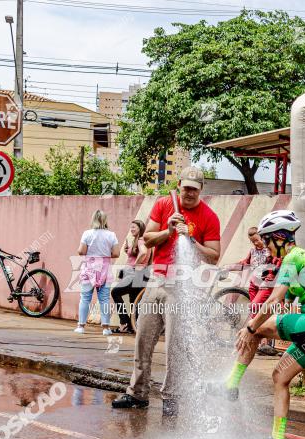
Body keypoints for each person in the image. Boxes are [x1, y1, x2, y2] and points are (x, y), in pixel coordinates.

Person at [223, 210, 305, 439]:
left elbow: (274, 300)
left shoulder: (292, 258)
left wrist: (250, 327)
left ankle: (230, 385)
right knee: (280, 376)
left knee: (255, 330)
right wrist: (265, 324)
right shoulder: (299, 260)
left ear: (279, 237)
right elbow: (285, 303)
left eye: (267, 241)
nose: (266, 248)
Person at [111, 166, 221, 416]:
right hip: (156, 282)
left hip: (184, 287)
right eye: (185, 188)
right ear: (179, 186)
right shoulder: (163, 205)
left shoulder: (209, 217)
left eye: (194, 188)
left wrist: (191, 241)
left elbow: (214, 256)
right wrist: (168, 231)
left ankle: (171, 398)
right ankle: (137, 394)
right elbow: (147, 239)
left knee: (175, 347)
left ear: (201, 189)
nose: (189, 193)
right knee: (143, 340)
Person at [231, 226, 281, 356]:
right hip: (254, 284)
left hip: (265, 284)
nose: (256, 243)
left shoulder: (269, 250)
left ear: (262, 238)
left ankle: (265, 342)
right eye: (253, 241)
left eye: (257, 240)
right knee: (256, 312)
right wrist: (230, 267)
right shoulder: (253, 251)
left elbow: (276, 264)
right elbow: (245, 263)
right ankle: (260, 342)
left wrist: (270, 277)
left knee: (256, 307)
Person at [76, 209, 120, 335]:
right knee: (105, 299)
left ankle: (81, 326)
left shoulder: (87, 234)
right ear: (105, 220)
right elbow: (116, 253)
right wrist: (105, 253)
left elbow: (81, 251)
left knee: (85, 298)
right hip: (105, 269)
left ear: (93, 219)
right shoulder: (111, 235)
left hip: (89, 268)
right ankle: (106, 328)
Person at [110, 219, 152, 334]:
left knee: (115, 292)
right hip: (142, 275)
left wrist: (136, 264)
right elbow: (141, 252)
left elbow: (143, 252)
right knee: (134, 301)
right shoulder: (142, 241)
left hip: (135, 274)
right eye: (131, 227)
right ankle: (133, 326)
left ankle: (125, 323)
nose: (132, 229)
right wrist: (129, 251)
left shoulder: (141, 240)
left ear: (140, 229)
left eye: (134, 227)